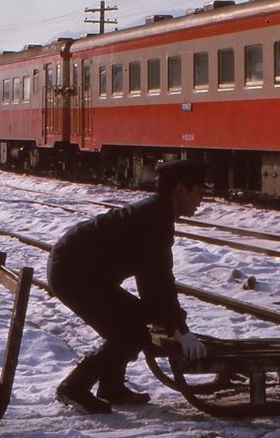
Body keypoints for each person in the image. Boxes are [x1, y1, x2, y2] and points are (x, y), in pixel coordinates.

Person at [48, 158, 209, 414]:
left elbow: (154, 282)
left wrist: (172, 323)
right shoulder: (154, 221)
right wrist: (180, 328)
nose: (202, 199)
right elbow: (158, 281)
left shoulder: (156, 214)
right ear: (180, 190)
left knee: (133, 324)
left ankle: (111, 388)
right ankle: (74, 387)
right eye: (199, 190)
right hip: (73, 275)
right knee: (128, 332)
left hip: (80, 270)